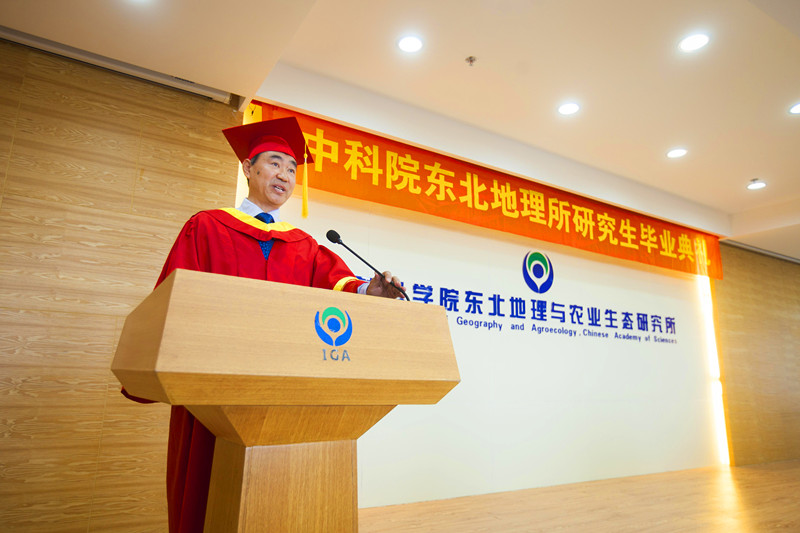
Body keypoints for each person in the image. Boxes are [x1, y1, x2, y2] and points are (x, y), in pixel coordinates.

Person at [123, 117, 404, 533]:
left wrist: (371, 290)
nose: (285, 175)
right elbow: (171, 301)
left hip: (287, 395)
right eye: (274, 163)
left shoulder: (304, 246)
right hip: (213, 393)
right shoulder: (207, 227)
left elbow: (339, 284)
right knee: (205, 494)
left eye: (292, 169)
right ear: (248, 168)